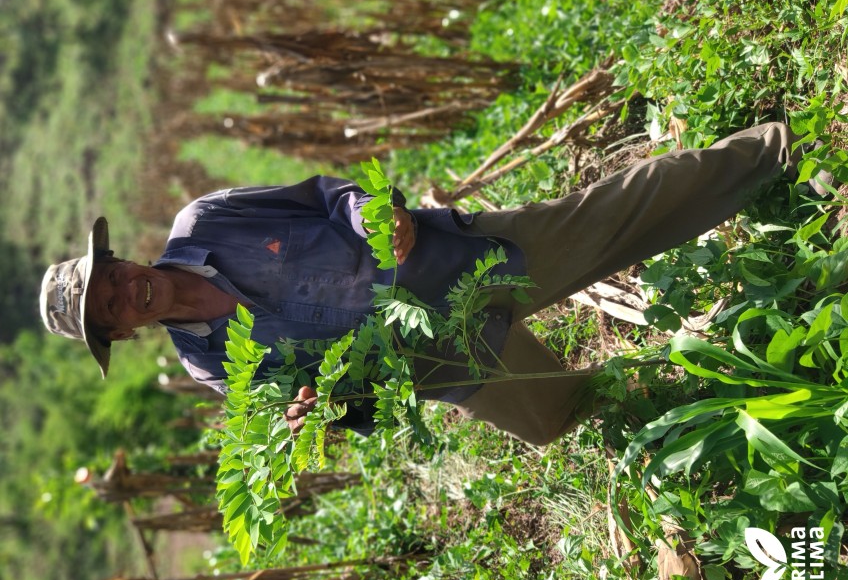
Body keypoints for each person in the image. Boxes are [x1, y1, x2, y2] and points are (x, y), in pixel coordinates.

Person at [40, 122, 820, 445]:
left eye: (112, 277)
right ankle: (723, 391)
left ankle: (773, 153)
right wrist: (321, 412)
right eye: (110, 309)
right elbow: (352, 410)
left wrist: (377, 219)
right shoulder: (209, 366)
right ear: (121, 334)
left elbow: (323, 195)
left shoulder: (206, 220)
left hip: (457, 261)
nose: (125, 292)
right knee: (556, 420)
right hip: (445, 357)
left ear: (122, 259)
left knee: (608, 216)